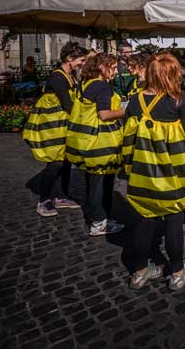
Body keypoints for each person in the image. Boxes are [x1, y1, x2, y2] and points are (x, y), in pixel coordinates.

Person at [124, 53, 185, 291]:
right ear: (172, 74)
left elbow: (128, 134)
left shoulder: (136, 100)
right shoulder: (177, 100)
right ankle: (178, 273)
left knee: (145, 220)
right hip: (172, 174)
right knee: (173, 222)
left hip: (144, 173)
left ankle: (140, 272)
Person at [24, 42, 87, 217]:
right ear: (69, 58)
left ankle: (61, 196)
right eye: (81, 60)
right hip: (52, 128)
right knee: (55, 164)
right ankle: (44, 200)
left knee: (66, 162)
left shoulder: (71, 76)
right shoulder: (58, 77)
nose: (82, 63)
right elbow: (68, 105)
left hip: (62, 126)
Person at [65, 53, 126, 236]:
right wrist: (126, 110)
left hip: (86, 142)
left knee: (93, 183)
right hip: (101, 144)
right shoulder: (102, 87)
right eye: (113, 67)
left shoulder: (85, 84)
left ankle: (98, 218)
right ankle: (100, 222)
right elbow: (104, 114)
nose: (115, 71)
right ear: (102, 67)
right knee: (101, 185)